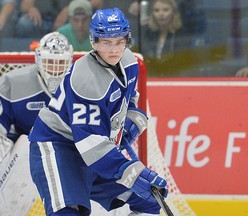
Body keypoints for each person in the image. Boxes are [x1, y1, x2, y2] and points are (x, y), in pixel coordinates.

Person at [29, 8, 168, 216]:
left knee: (148, 201)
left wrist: (128, 124)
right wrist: (135, 174)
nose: (114, 49)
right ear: (93, 42)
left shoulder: (130, 62)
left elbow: (128, 101)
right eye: (106, 42)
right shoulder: (86, 79)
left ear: (127, 41)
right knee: (68, 212)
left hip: (95, 148)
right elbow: (92, 146)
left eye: (119, 42)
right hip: (59, 146)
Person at [0, 31, 73, 141]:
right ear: (39, 59)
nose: (55, 69)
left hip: (67, 150)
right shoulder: (14, 83)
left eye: (61, 63)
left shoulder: (80, 85)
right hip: (24, 151)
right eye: (50, 61)